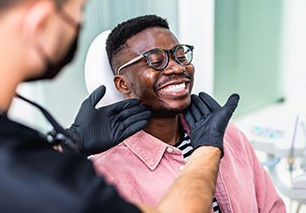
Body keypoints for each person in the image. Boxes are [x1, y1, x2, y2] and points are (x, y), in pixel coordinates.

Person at [0, 0, 239, 212]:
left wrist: (70, 143)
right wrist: (207, 148)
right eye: (81, 5)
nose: (79, 22)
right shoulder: (51, 181)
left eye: (179, 55)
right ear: (41, 23)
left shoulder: (11, 158)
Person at [87, 15, 286, 212]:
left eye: (181, 56)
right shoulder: (106, 175)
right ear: (123, 84)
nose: (176, 67)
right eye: (156, 61)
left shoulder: (227, 136)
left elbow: (272, 208)